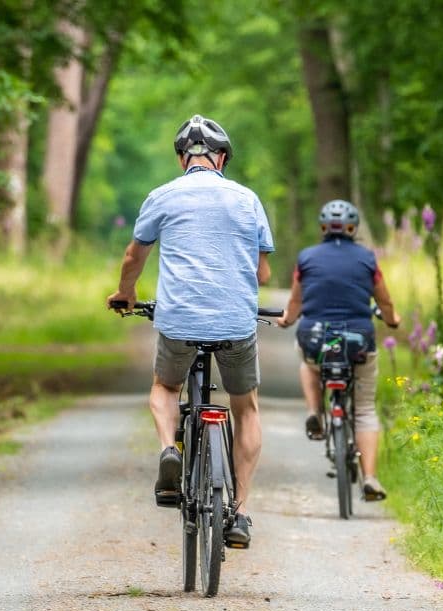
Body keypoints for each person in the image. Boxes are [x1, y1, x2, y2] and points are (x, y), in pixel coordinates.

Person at [107, 114, 274, 548]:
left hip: (179, 319)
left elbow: (133, 256)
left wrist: (126, 293)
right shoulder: (246, 199)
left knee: (165, 387)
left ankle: (169, 450)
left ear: (183, 159)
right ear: (221, 158)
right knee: (247, 408)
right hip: (236, 322)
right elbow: (263, 270)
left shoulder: (162, 196)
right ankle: (240, 513)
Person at [276, 199, 400, 501]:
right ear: (353, 228)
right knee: (366, 409)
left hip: (316, 338)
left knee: (307, 361)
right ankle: (370, 477)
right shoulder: (368, 259)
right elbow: (384, 301)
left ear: (322, 227)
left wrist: (287, 319)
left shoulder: (306, 258)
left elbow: (295, 302)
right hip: (358, 340)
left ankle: (314, 411)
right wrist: (393, 320)